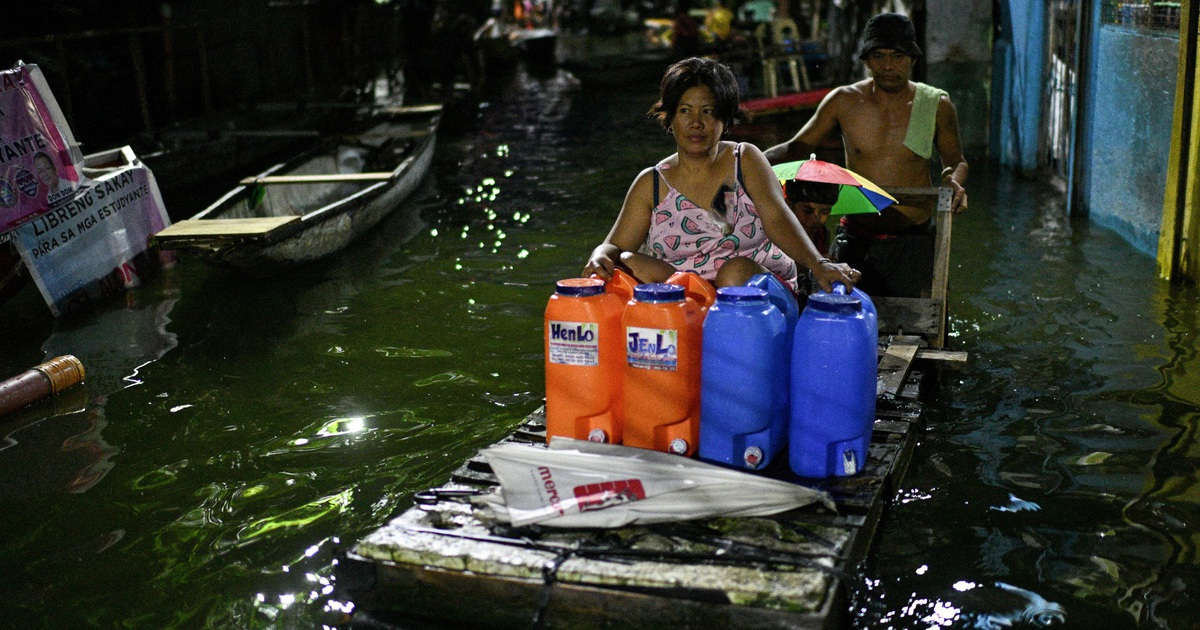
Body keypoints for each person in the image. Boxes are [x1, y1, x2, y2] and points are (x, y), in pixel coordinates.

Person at [584, 57, 859, 294]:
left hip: (757, 295)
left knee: (734, 271)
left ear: (725, 119)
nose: (696, 123)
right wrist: (600, 254)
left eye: (708, 112)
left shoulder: (746, 159)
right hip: (689, 301)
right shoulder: (651, 184)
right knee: (630, 262)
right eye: (684, 111)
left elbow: (777, 219)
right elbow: (615, 247)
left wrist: (818, 264)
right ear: (669, 119)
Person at [763, 12, 968, 298]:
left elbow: (956, 162)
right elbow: (796, 147)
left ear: (912, 60)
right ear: (867, 61)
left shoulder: (936, 105)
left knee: (925, 321)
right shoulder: (843, 101)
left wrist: (953, 180)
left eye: (897, 56)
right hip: (857, 237)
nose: (887, 65)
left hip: (914, 238)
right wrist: (748, 160)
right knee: (845, 314)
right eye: (879, 56)